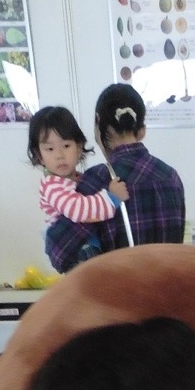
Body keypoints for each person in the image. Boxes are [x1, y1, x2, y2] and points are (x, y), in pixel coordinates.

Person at [45, 84, 185, 273]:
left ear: (98, 124)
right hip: (166, 298)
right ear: (142, 130)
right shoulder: (171, 177)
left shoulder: (97, 179)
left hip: (116, 299)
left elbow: (59, 253)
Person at [27, 105, 129, 273]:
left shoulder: (81, 178)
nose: (59, 155)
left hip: (91, 245)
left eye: (66, 146)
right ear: (39, 155)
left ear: (79, 146)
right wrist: (112, 198)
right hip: (79, 252)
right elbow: (79, 211)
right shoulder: (52, 186)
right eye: (49, 149)